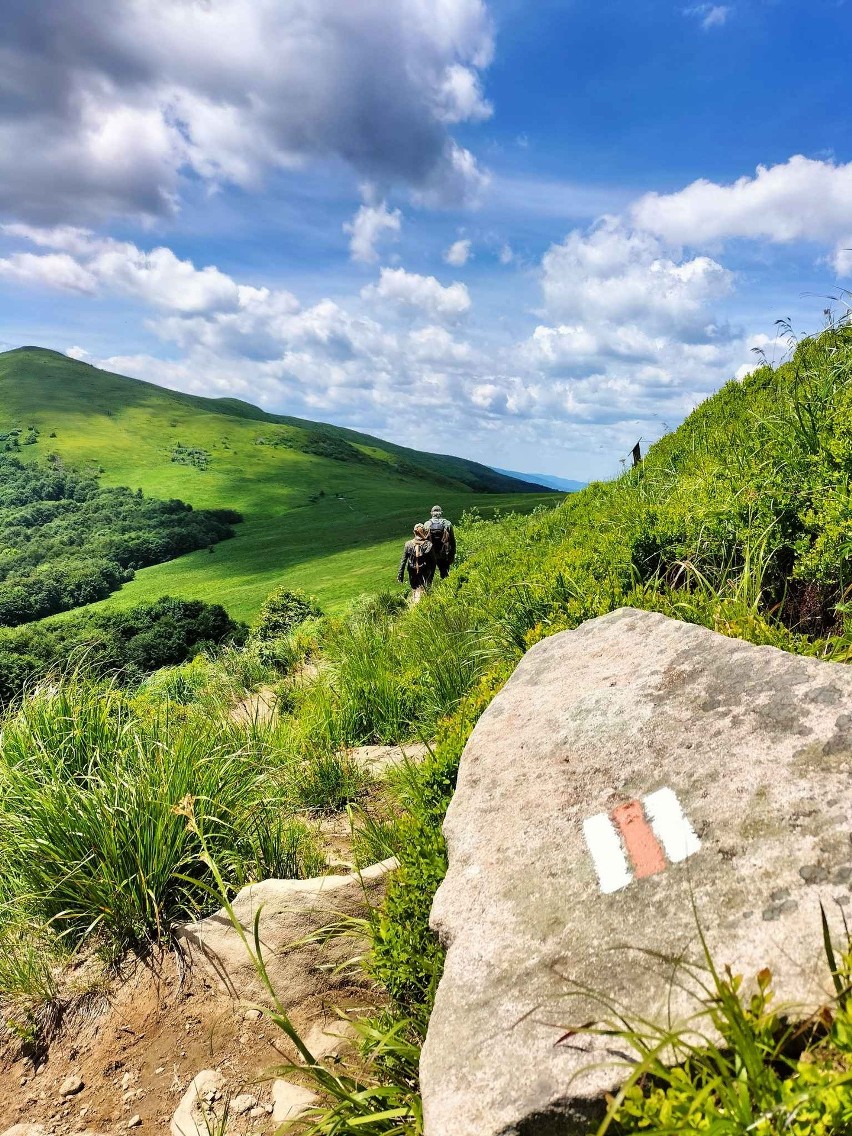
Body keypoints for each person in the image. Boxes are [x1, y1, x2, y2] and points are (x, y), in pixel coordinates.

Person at [397, 523, 436, 602]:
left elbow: (403, 561)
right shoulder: (428, 545)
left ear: (414, 532)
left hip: (412, 571)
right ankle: (424, 604)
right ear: (424, 532)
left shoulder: (408, 544)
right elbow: (433, 562)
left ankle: (415, 604)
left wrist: (400, 574)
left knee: (414, 589)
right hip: (425, 571)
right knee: (425, 589)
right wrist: (431, 576)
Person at [423, 505, 456, 578]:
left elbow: (423, 542)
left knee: (429, 575)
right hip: (444, 554)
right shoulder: (447, 524)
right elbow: (452, 541)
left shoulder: (426, 524)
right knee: (445, 575)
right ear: (441, 513)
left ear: (431, 513)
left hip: (430, 553)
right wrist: (452, 555)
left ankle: (428, 588)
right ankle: (447, 588)